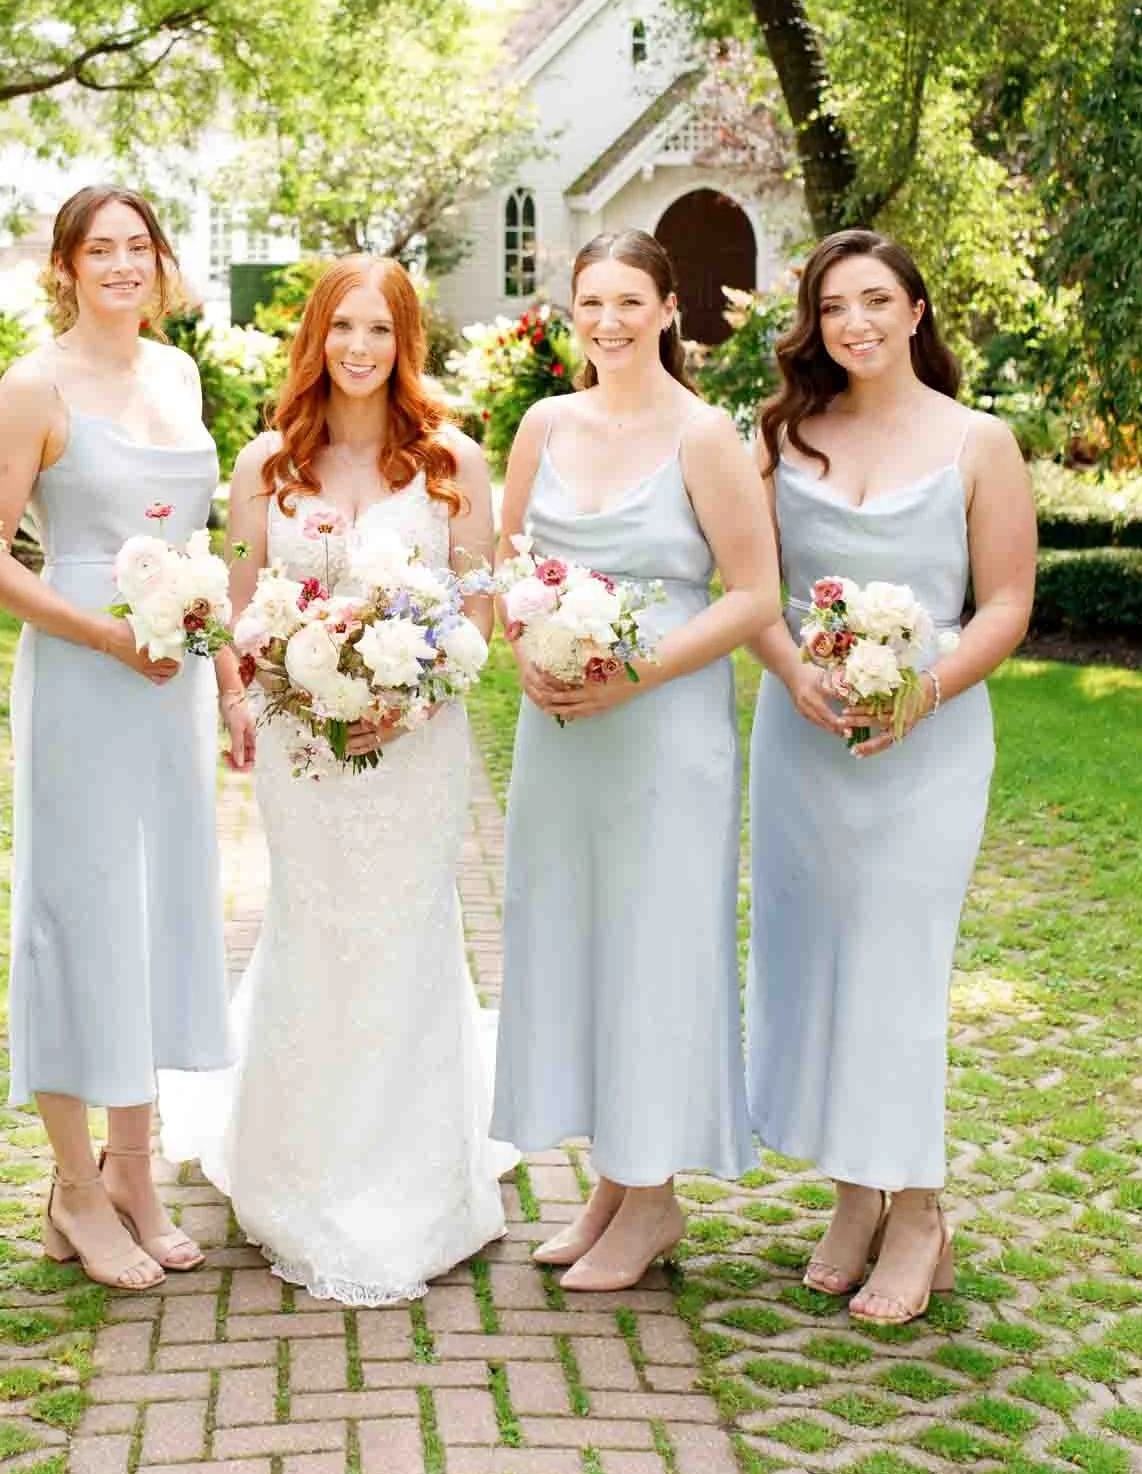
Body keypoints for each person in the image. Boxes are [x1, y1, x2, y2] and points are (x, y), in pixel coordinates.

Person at [161, 255, 511, 1303]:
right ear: (316, 337)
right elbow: (231, 607)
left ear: (407, 342)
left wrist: (425, 685)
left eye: (380, 329)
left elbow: (479, 603)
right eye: (342, 327)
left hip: (417, 743)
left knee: (406, 930)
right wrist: (245, 693)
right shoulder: (267, 465)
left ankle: (413, 1170)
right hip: (304, 750)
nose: (359, 348)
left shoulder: (453, 463)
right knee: (314, 928)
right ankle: (298, 1164)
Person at [747, 228, 1035, 1324]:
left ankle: (918, 1210)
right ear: (813, 325)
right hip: (804, 736)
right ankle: (853, 1194)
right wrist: (796, 674)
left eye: (875, 299)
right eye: (832, 306)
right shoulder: (785, 436)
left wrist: (923, 691)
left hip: (931, 737)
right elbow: (755, 587)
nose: (854, 322)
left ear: (916, 311)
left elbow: (1005, 602)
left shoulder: (978, 442)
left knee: (898, 968)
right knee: (818, 957)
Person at [0, 186, 255, 1292]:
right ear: (66, 266)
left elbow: (200, 540)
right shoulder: (29, 387)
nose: (124, 264)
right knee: (76, 917)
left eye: (140, 246)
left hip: (172, 682)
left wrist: (225, 675)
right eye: (102, 249)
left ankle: (134, 1170)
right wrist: (99, 631)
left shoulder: (177, 375)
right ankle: (73, 1190)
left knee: (153, 914)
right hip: (85, 677)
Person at [491, 229, 778, 1292]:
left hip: (664, 728)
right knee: (577, 934)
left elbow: (753, 593)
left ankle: (652, 1195)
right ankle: (611, 1180)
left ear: (668, 309)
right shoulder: (542, 424)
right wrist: (526, 649)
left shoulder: (704, 435)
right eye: (588, 304)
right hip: (562, 729)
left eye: (627, 302)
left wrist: (635, 671)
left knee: (655, 941)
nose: (607, 322)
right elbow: (505, 561)